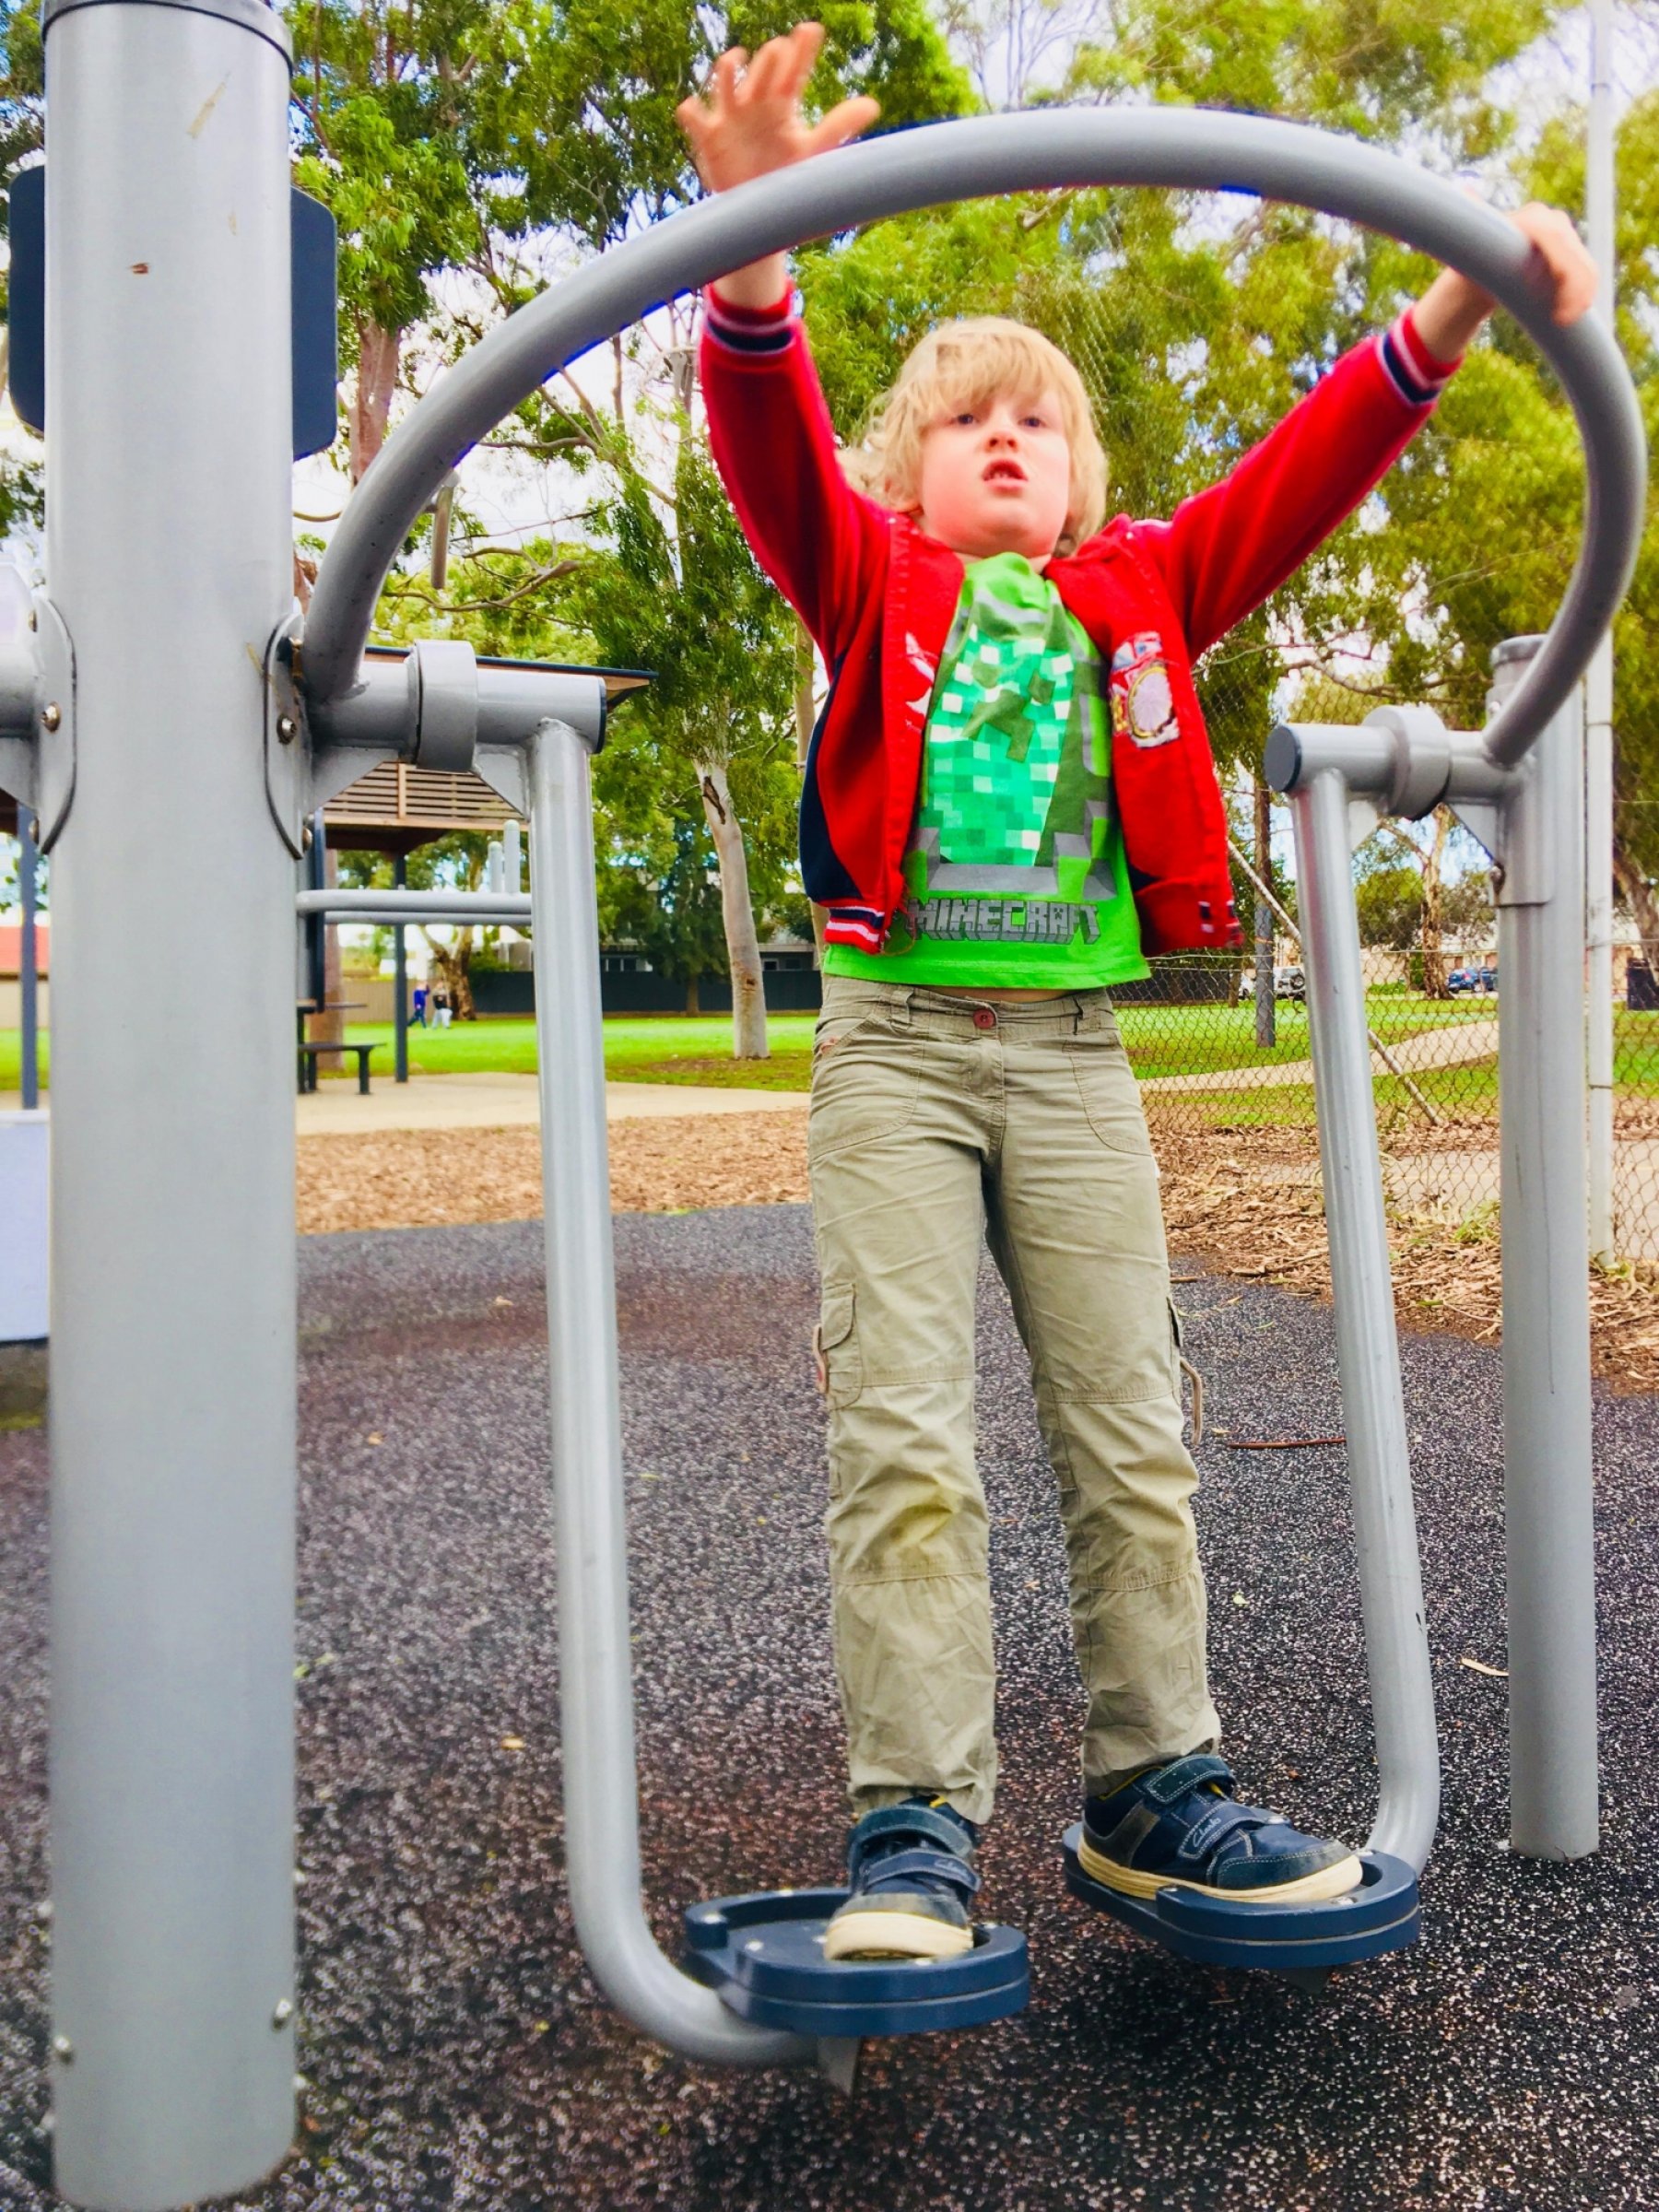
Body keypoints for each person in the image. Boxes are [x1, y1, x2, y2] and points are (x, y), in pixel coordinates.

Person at [679, 24, 1595, 1965]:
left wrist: (1449, 309)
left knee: (1133, 1430)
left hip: (1079, 1062)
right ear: (908, 472)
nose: (1007, 437)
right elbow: (767, 456)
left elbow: (1303, 475)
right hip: (898, 1055)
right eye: (965, 421)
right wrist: (752, 257)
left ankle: (1154, 1784)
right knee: (906, 1442)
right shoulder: (870, 581)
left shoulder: (1148, 591)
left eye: (1041, 419)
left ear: (1084, 474)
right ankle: (914, 1832)